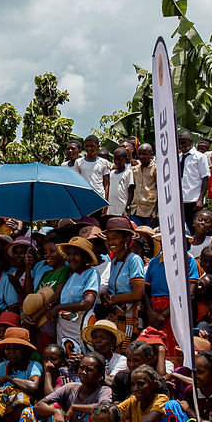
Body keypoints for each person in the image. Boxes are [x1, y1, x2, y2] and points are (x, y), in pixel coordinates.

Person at [16, 353, 111, 422]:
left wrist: (75, 407)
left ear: (100, 375)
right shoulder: (70, 387)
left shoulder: (104, 390)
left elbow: (104, 408)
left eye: (89, 370)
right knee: (31, 411)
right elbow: (38, 405)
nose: (83, 372)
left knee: (96, 415)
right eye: (81, 368)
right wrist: (55, 412)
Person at [99, 218, 144, 350]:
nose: (110, 242)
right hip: (116, 317)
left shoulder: (134, 260)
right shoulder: (113, 263)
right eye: (108, 238)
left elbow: (138, 293)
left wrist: (112, 299)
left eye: (114, 238)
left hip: (131, 318)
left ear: (126, 239)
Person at [50, 237, 100, 351]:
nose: (71, 258)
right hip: (65, 327)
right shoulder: (71, 275)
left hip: (80, 326)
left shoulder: (91, 273)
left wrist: (59, 307)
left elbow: (87, 303)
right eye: (68, 254)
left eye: (75, 254)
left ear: (85, 257)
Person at [177, 129, 209, 232]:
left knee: (194, 228)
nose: (181, 145)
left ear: (190, 141)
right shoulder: (178, 157)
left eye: (184, 142)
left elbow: (205, 178)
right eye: (179, 143)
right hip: (181, 200)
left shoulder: (200, 157)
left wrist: (200, 199)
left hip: (194, 200)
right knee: (182, 229)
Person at [129, 143, 157, 227]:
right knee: (137, 236)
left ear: (151, 155)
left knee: (150, 236)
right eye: (139, 154)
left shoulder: (155, 169)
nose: (141, 157)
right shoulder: (135, 169)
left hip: (149, 211)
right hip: (135, 209)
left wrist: (156, 211)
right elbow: (131, 189)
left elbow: (160, 190)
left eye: (144, 154)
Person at [106, 148, 135, 217]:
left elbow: (131, 191)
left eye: (120, 159)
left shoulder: (128, 172)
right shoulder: (112, 173)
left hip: (122, 208)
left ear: (126, 159)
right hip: (111, 208)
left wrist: (127, 205)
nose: (117, 162)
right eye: (115, 159)